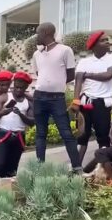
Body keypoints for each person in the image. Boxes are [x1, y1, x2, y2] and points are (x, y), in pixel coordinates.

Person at [32, 22, 81, 173]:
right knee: (40, 134)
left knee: (66, 132)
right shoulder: (36, 54)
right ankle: (40, 170)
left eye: (38, 33)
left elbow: (71, 74)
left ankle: (77, 168)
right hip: (39, 97)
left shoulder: (65, 50)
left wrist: (57, 83)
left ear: (46, 32)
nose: (36, 36)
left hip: (56, 98)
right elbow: (39, 74)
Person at [72, 31, 112, 164]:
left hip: (102, 103)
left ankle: (104, 169)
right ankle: (75, 167)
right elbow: (78, 81)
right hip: (84, 102)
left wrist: (87, 74)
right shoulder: (84, 61)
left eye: (107, 39)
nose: (107, 42)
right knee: (82, 136)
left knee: (103, 137)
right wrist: (75, 101)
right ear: (94, 45)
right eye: (103, 40)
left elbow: (108, 75)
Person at [0, 72, 35, 190]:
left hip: (18, 136)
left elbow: (31, 122)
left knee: (13, 167)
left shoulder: (29, 101)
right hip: (3, 134)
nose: (18, 90)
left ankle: (9, 192)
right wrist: (3, 112)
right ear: (13, 84)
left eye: (22, 87)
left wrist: (20, 114)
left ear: (26, 87)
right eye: (16, 86)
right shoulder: (5, 97)